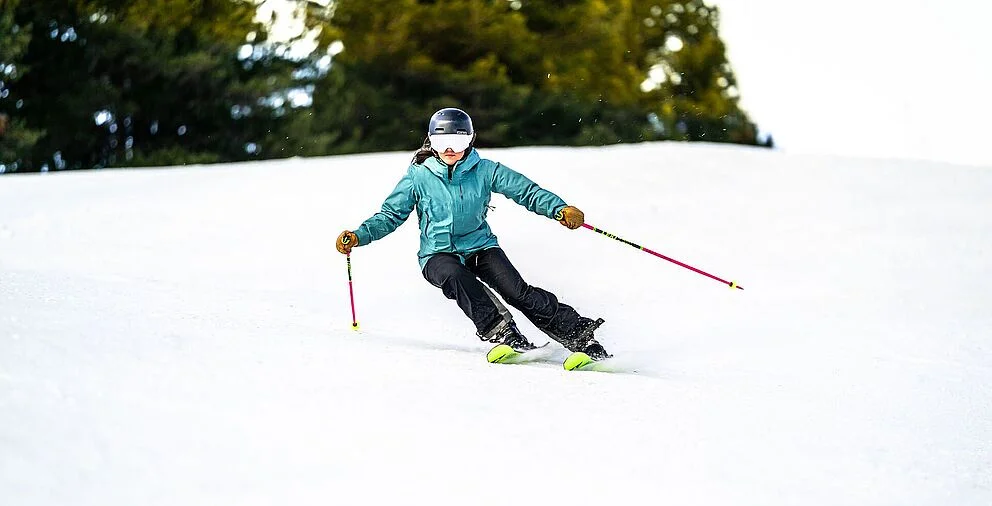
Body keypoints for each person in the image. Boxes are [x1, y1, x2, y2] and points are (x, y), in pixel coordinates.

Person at [335, 108, 609, 360]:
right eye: (442, 142)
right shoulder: (418, 176)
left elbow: (525, 191)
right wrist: (360, 235)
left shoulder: (485, 170)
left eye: (458, 140)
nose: (450, 148)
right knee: (458, 278)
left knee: (517, 291)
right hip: (437, 254)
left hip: (480, 247)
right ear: (431, 142)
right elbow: (391, 214)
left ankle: (579, 336)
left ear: (470, 140)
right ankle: (503, 332)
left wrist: (559, 209)